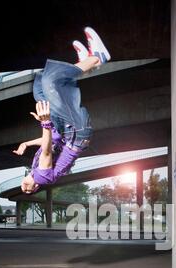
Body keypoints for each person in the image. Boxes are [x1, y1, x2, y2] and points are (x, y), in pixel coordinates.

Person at [12, 27, 111, 194]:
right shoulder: (41, 177)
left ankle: (86, 65)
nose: (25, 189)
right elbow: (47, 150)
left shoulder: (37, 171)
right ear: (36, 186)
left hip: (64, 130)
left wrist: (27, 143)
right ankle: (98, 58)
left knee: (39, 87)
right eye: (29, 191)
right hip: (76, 133)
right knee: (52, 82)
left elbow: (47, 144)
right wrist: (45, 123)